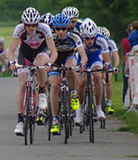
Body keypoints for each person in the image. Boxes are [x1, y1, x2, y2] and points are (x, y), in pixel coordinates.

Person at [7, 7, 58, 136]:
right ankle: (19, 121)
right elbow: (11, 51)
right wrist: (12, 62)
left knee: (38, 64)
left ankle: (41, 92)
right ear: (23, 24)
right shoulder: (19, 29)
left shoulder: (44, 28)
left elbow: (54, 52)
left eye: (33, 25)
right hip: (25, 53)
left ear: (37, 23)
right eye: (28, 25)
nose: (30, 28)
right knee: (23, 84)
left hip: (42, 51)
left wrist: (49, 64)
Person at [48, 13, 88, 135]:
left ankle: (73, 93)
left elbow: (83, 56)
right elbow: (45, 53)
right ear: (53, 29)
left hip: (69, 56)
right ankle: (55, 119)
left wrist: (81, 64)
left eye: (63, 29)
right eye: (57, 29)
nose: (60, 32)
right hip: (55, 59)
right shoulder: (50, 37)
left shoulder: (74, 36)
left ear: (68, 28)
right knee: (55, 85)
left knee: (70, 68)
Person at [75, 18, 110, 125]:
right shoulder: (78, 40)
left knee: (98, 76)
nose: (90, 41)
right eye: (87, 38)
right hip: (81, 58)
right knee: (80, 83)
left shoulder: (101, 40)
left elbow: (106, 59)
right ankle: (80, 110)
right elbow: (75, 56)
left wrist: (106, 65)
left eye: (92, 38)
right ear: (82, 36)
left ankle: (98, 108)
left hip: (95, 58)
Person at [98, 26, 120, 114]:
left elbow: (116, 56)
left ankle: (109, 104)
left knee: (108, 80)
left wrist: (116, 66)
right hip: (98, 60)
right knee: (95, 78)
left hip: (107, 61)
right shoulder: (96, 42)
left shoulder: (111, 42)